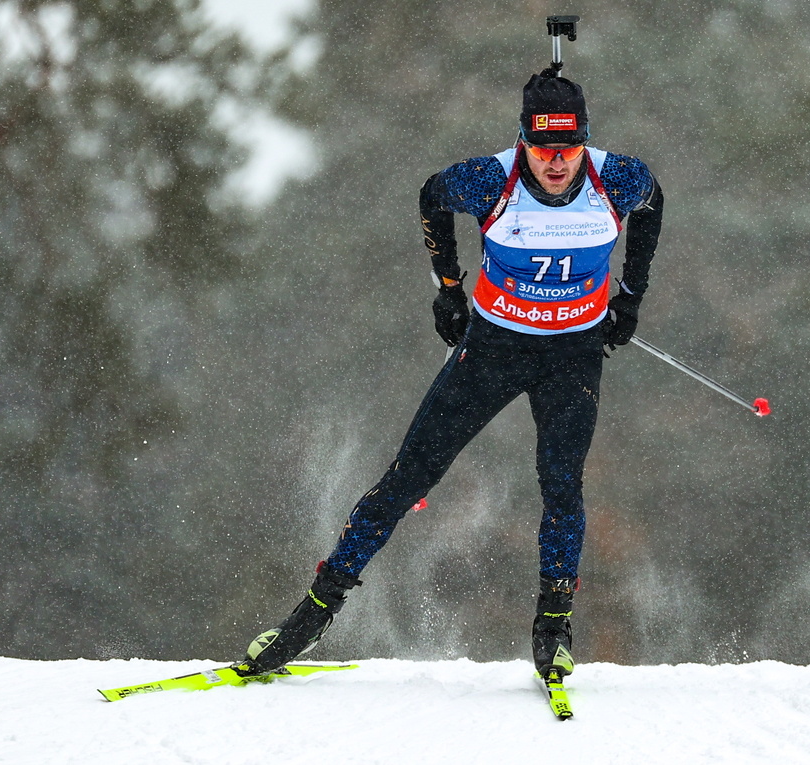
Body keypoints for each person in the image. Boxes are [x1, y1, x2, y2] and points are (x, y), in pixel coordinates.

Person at [234, 67, 663, 681]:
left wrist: (630, 295)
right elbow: (433, 195)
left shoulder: (615, 177)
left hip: (572, 352)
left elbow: (654, 203)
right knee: (410, 475)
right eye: (543, 151)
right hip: (493, 346)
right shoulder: (492, 179)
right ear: (523, 142)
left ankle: (553, 629)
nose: (557, 165)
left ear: (584, 141)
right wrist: (448, 287)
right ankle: (313, 612)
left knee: (561, 487)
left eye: (568, 150)